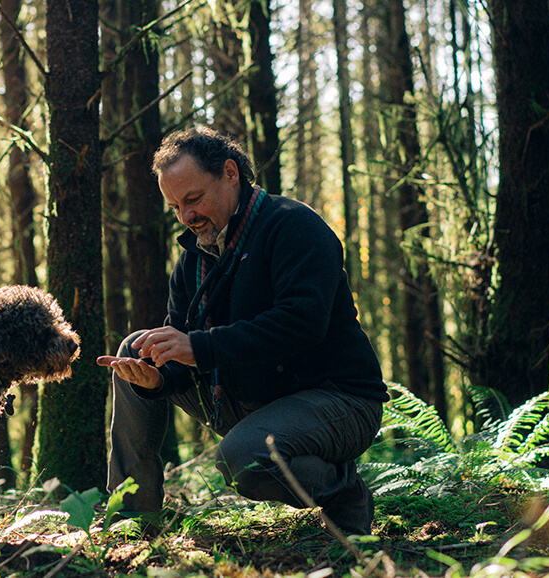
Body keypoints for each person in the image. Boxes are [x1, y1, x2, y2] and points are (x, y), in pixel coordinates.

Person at [97, 127, 387, 535]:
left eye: (193, 199)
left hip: (339, 399)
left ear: (230, 173)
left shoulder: (293, 226)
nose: (186, 216)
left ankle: (343, 492)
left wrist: (200, 347)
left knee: (244, 458)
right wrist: (157, 379)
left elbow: (302, 324)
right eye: (176, 207)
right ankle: (132, 518)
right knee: (137, 351)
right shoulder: (194, 260)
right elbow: (182, 345)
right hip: (249, 399)